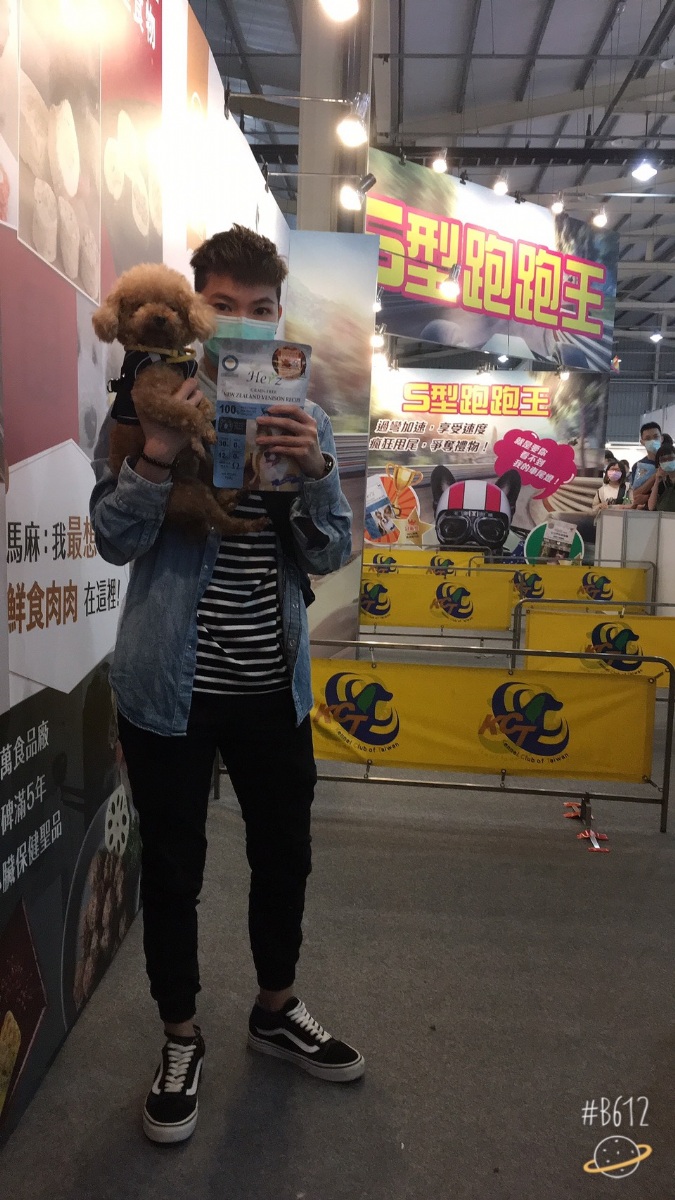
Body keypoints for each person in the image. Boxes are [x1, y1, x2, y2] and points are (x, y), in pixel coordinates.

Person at [90, 225, 364, 1147]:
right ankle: (180, 1035)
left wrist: (315, 473)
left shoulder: (307, 417)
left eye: (261, 309)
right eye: (222, 306)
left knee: (285, 854)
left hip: (271, 686)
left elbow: (329, 553)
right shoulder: (143, 402)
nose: (242, 321)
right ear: (195, 311)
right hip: (168, 687)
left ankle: (274, 1007)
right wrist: (158, 451)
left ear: (279, 318)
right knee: (172, 871)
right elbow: (113, 539)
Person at [629, 421, 664, 504]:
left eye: (656, 437)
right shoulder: (638, 466)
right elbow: (636, 495)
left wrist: (647, 497)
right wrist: (656, 476)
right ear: (642, 442)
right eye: (648, 439)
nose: (653, 441)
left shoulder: (670, 462)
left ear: (661, 438)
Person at [647, 441, 675, 511]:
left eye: (671, 458)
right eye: (663, 460)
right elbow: (651, 506)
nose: (667, 461)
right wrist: (657, 480)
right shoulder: (664, 483)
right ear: (659, 464)